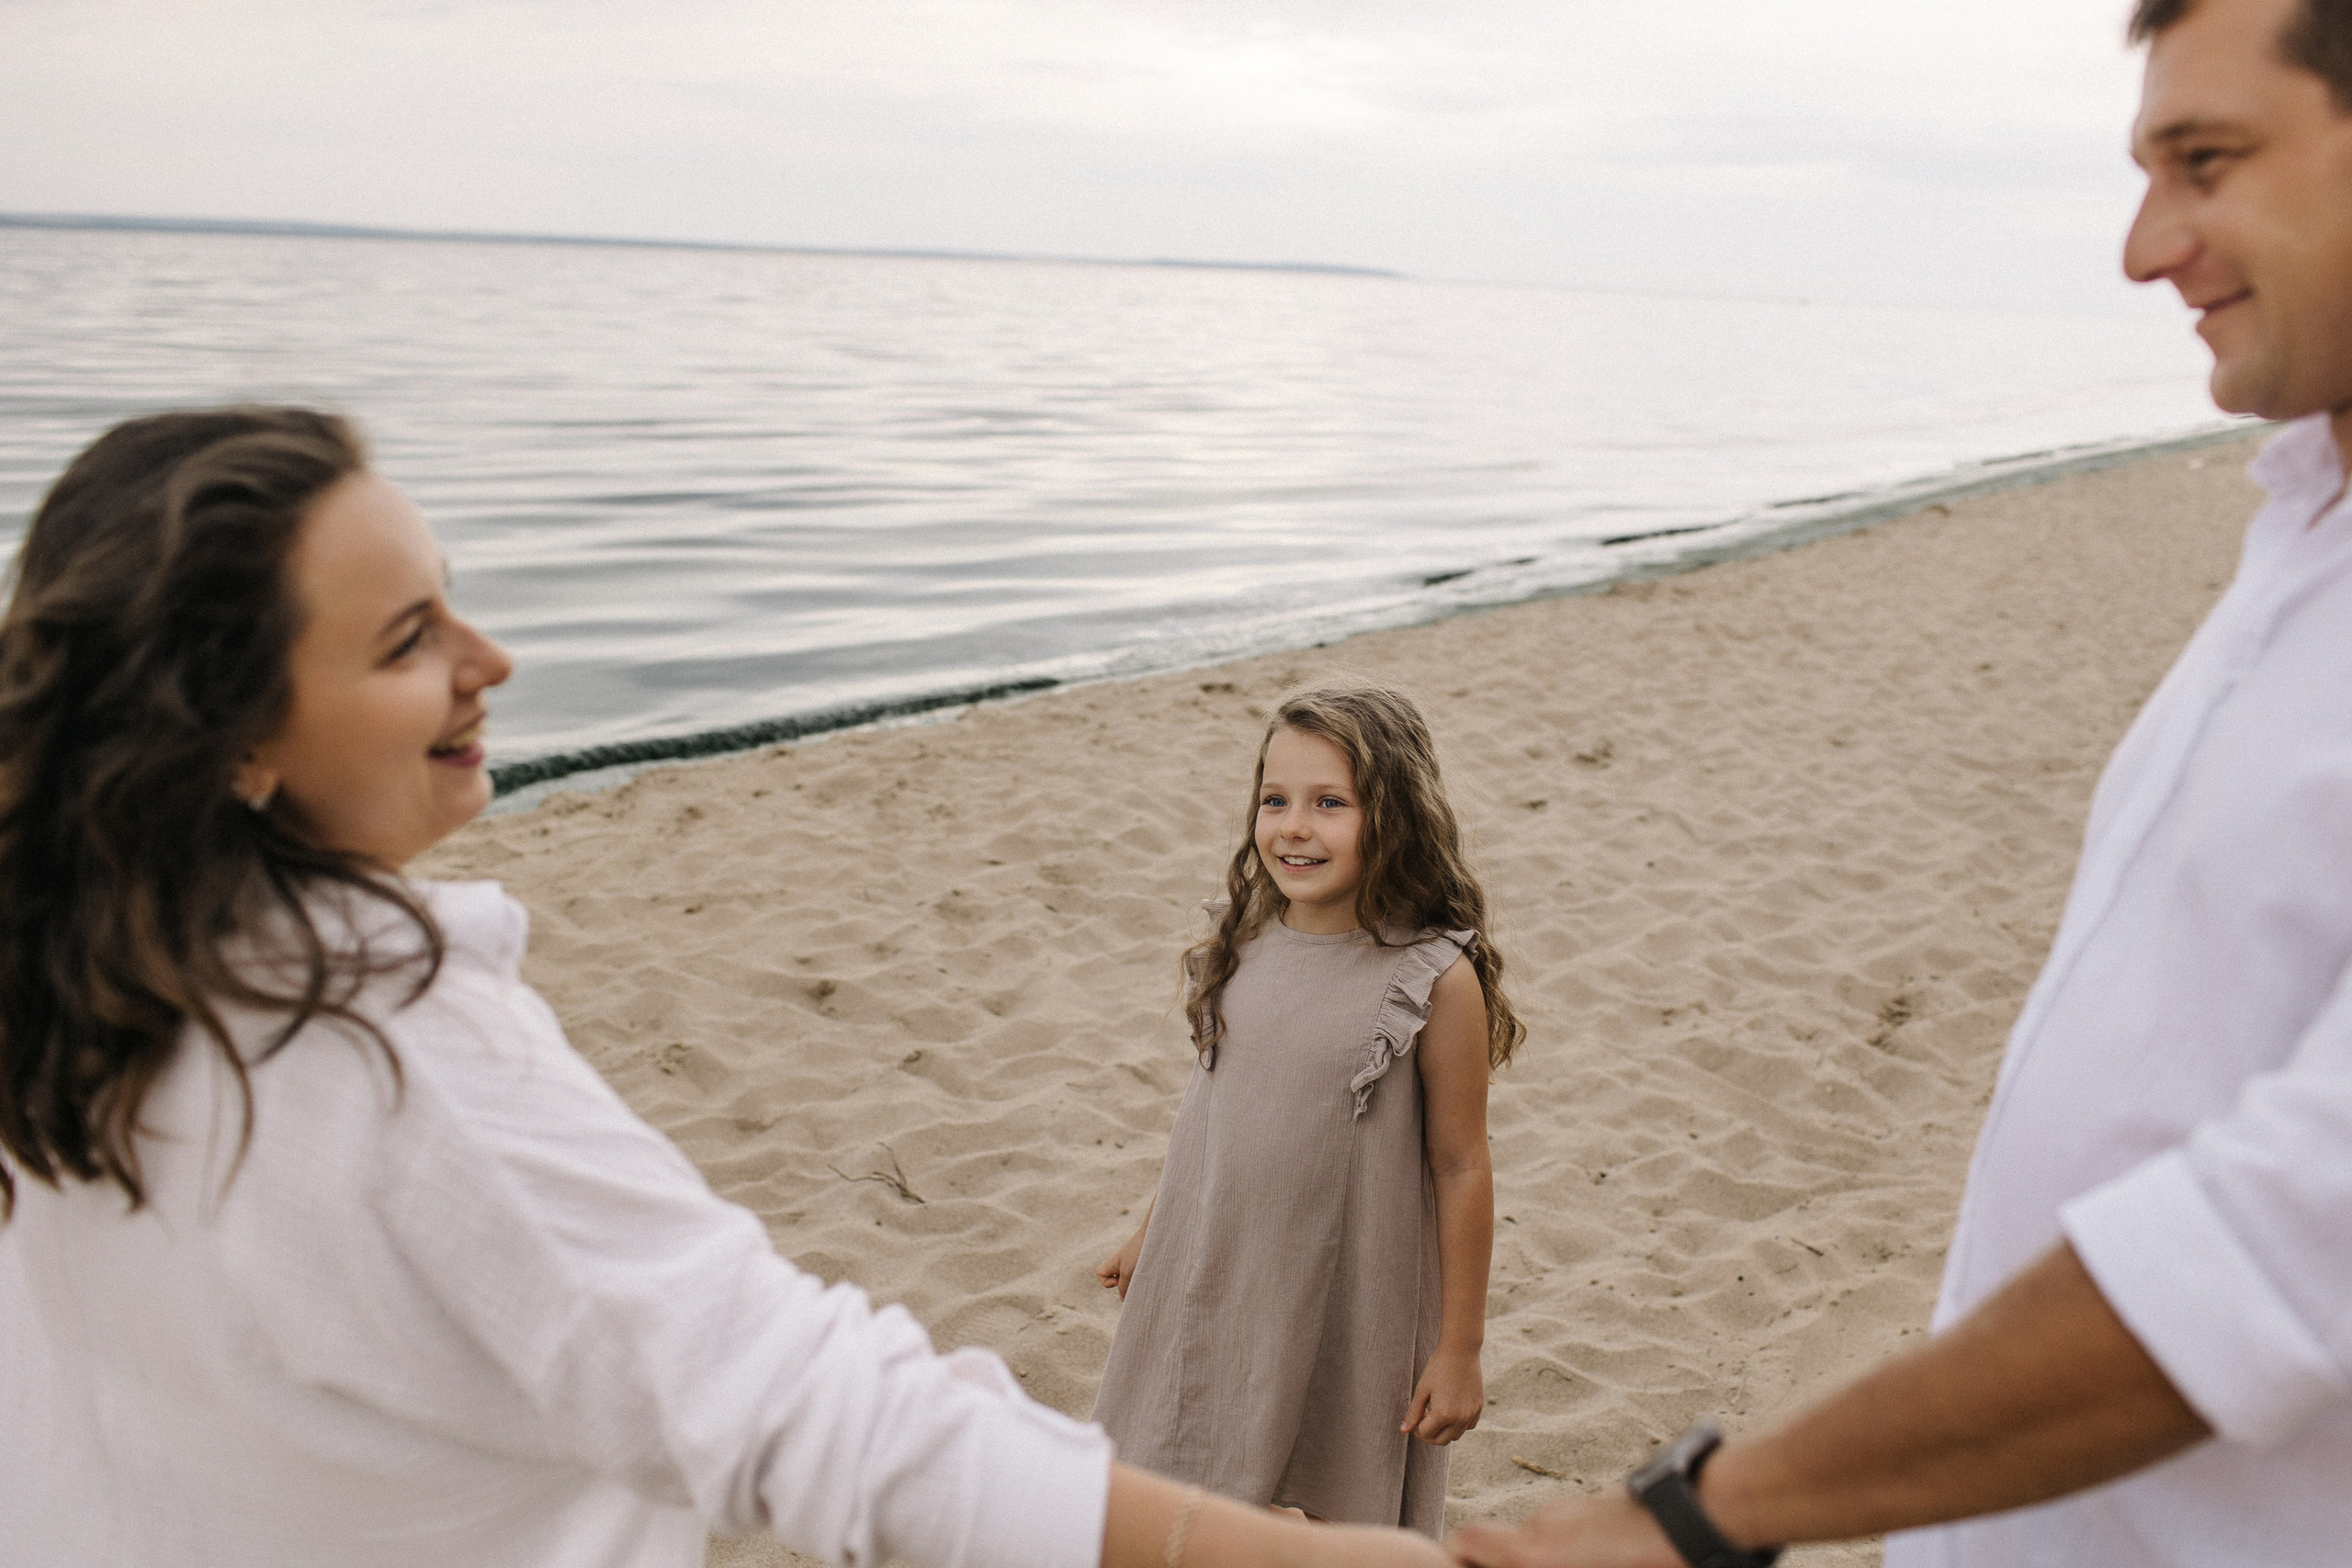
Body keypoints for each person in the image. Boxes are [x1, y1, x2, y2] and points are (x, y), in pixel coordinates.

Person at [0, 408, 1452, 1568]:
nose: (490, 659)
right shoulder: (400, 1054)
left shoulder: (61, 985)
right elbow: (812, 1411)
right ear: (233, 739)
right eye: (407, 639)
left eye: (454, 602)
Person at [1449, 1, 2352, 1563]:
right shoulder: (2303, 523)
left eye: (2206, 161)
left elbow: (2290, 1242)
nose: (2146, 248)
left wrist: (1700, 1516)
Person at [1090, 684, 1524, 1536]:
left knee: (1328, 1497)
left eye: (1331, 803)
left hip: (1344, 1285)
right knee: (1181, 1466)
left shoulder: (1432, 978)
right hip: (1215, 1264)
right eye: (1275, 799)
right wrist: (1156, 1227)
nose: (1294, 826)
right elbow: (1210, 1112)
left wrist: (1460, 1346)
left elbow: (1461, 1163)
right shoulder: (1242, 940)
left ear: (1397, 814)